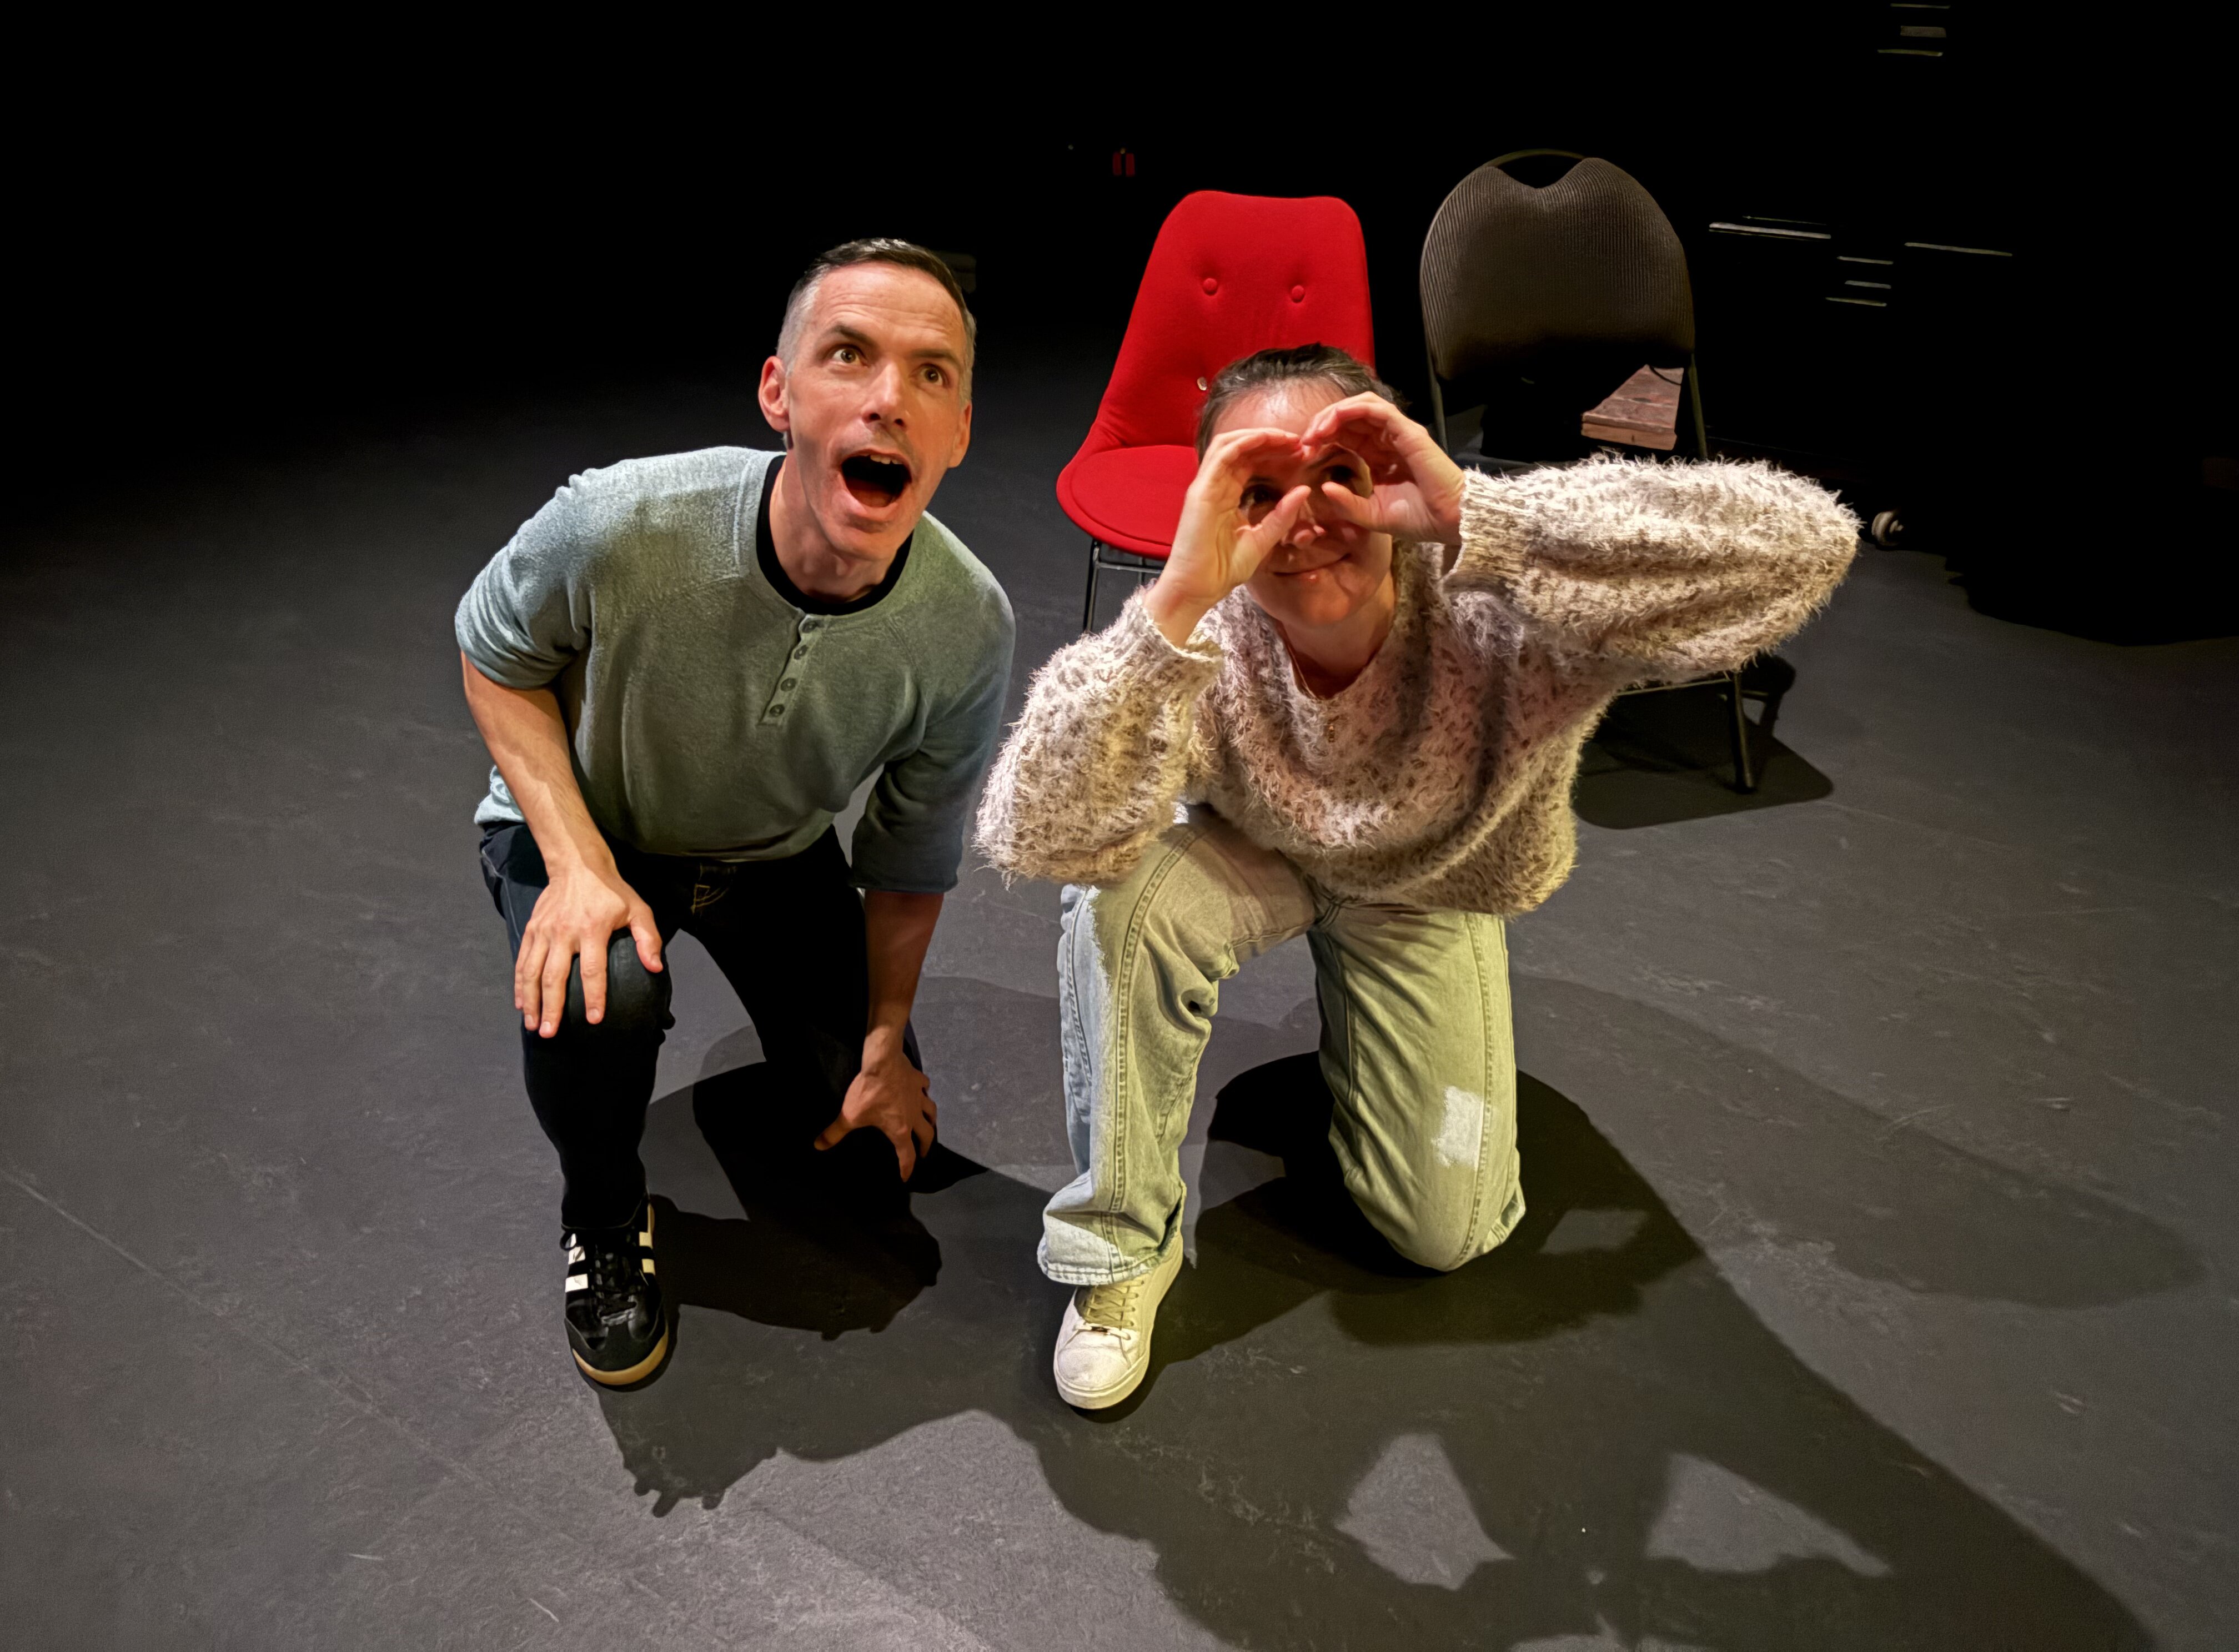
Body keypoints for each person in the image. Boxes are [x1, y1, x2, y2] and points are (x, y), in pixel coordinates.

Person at [976, 343, 1858, 1410]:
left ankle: (1372, 1029)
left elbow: (1805, 547)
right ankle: (1120, 1248)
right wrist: (1170, 607)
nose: (1305, 521)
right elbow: (1032, 835)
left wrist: (1478, 513)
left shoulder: (1504, 608)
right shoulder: (1204, 629)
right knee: (1120, 899)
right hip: (1260, 854)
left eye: (1337, 476)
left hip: (1426, 888)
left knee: (1445, 1234)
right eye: (1260, 491)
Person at [456, 240, 1013, 1389]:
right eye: (848, 355)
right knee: (602, 989)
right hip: (595, 829)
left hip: (772, 853)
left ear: (959, 431)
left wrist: (883, 1038)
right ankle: (604, 1218)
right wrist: (576, 864)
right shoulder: (623, 522)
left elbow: (909, 855)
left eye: (932, 374)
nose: (889, 399)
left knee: (873, 1159)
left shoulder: (967, 626)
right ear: (778, 392)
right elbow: (493, 651)